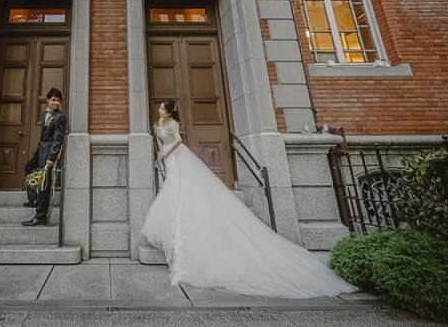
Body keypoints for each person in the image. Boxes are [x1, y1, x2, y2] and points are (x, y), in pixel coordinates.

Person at [141, 99, 358, 298]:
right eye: (159, 108)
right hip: (167, 159)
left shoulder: (173, 124)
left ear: (169, 112)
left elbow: (178, 140)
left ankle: (184, 241)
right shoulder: (159, 121)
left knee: (182, 190)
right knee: (172, 190)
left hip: (178, 158)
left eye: (162, 108)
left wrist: (168, 153)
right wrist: (160, 153)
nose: (159, 110)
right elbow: (158, 139)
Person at [21, 88, 66, 226]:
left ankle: (40, 216)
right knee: (28, 168)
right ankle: (33, 199)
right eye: (53, 100)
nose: (56, 103)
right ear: (48, 100)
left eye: (58, 101)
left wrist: (51, 158)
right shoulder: (44, 115)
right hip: (40, 150)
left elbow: (58, 139)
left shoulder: (60, 117)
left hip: (48, 153)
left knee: (44, 185)